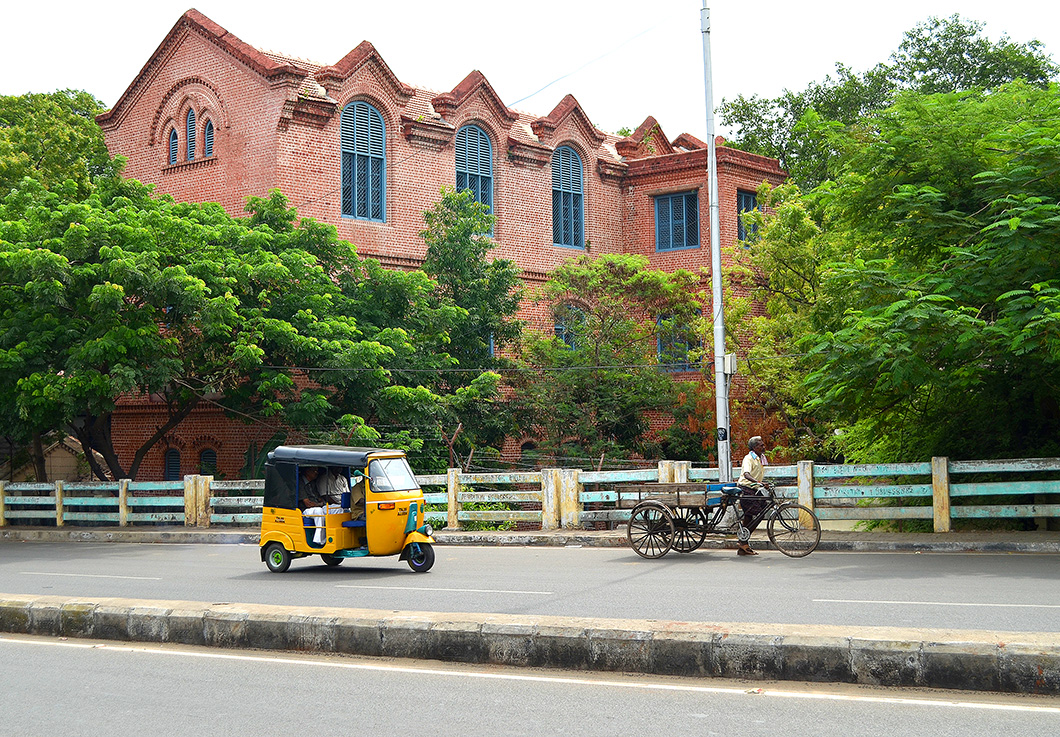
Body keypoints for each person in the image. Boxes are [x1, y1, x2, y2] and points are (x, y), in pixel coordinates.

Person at [735, 436, 771, 556]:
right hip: (746, 489)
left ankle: (743, 543)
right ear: (755, 447)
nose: (763, 447)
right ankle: (743, 540)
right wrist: (758, 482)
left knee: (756, 513)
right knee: (756, 513)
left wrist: (761, 484)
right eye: (761, 445)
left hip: (755, 489)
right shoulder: (749, 458)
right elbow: (746, 474)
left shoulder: (760, 459)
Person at [300, 467, 348, 546]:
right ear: (307, 472)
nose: (316, 473)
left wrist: (320, 503)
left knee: (339, 508)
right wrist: (319, 504)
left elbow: (319, 499)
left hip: (318, 506)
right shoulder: (300, 483)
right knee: (319, 511)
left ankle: (337, 535)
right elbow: (308, 503)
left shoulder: (312, 483)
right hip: (306, 510)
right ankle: (320, 540)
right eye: (314, 471)